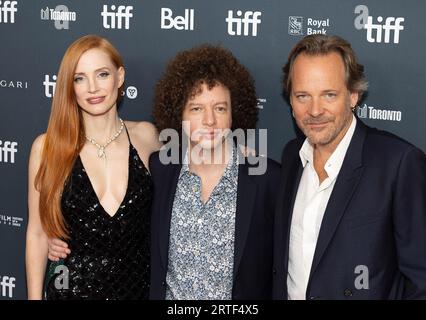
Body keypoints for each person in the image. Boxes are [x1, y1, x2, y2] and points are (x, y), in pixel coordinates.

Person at [273, 34, 426, 300]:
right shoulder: (290, 158)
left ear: (353, 95)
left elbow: (421, 281)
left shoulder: (398, 164)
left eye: (329, 95)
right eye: (302, 96)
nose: (315, 110)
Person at [26, 35, 161, 300]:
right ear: (69, 86)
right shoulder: (46, 148)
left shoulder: (147, 137)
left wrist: (234, 151)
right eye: (79, 78)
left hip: (138, 290)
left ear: (119, 77)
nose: (92, 88)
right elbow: (38, 233)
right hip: (70, 291)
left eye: (102, 74)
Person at [148, 44, 280, 300]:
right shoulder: (160, 171)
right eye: (196, 108)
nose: (210, 121)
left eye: (220, 108)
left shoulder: (267, 179)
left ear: (234, 114)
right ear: (179, 115)